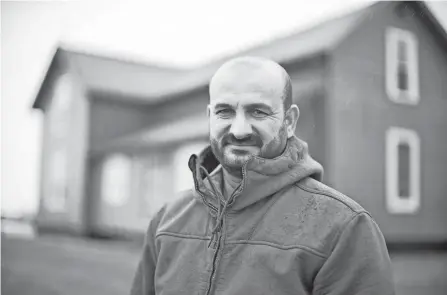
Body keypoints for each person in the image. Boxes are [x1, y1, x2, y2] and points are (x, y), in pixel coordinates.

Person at [130, 56, 395, 295]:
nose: (240, 130)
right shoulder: (167, 219)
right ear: (210, 117)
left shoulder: (344, 228)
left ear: (289, 122)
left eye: (258, 111)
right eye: (225, 111)